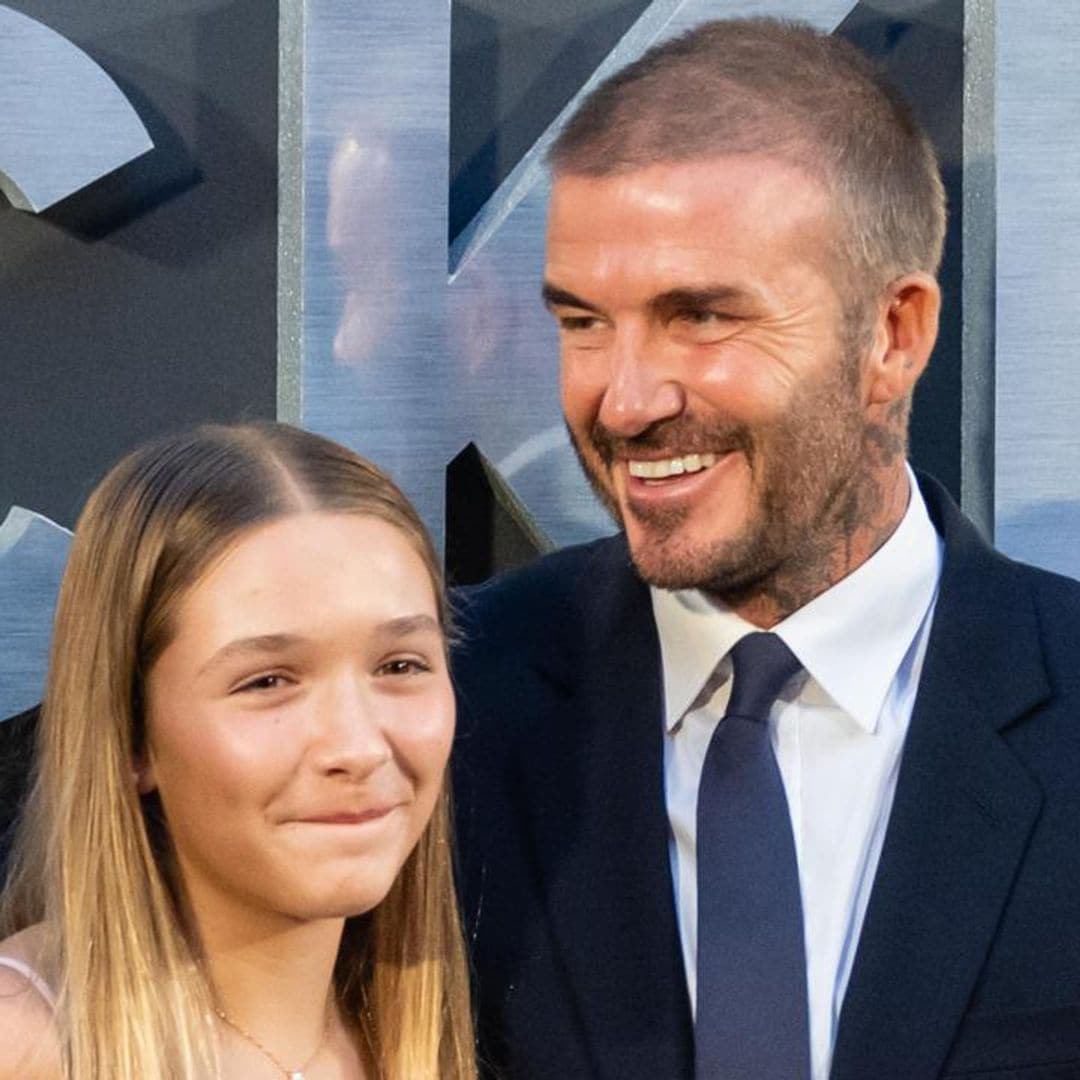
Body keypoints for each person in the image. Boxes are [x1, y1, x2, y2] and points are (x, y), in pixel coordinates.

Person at [450, 16, 1080, 1080]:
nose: (625, 401)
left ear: (894, 336)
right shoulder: (453, 707)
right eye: (584, 322)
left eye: (698, 316)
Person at [0, 423, 475, 1079]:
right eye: (269, 682)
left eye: (398, 666)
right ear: (131, 735)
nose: (359, 746)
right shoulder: (26, 1042)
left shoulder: (409, 1034)